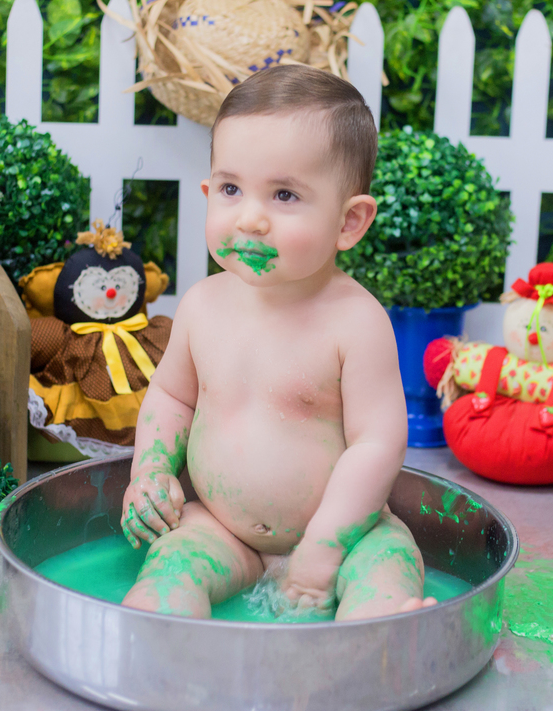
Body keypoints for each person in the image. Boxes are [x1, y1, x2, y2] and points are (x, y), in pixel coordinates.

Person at [118, 64, 436, 620]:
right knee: (165, 579)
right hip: (220, 530)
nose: (251, 219)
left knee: (385, 573)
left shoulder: (355, 322)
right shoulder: (201, 306)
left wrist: (325, 547)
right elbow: (172, 400)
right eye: (231, 189)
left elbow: (377, 445)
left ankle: (382, 633)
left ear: (349, 223)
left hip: (348, 536)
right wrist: (150, 472)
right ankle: (164, 645)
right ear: (207, 192)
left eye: (285, 194)